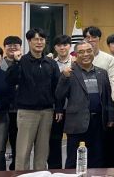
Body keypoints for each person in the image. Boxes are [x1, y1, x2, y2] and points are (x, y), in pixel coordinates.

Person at [6, 28, 62, 171]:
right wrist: (16, 62)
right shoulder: (22, 61)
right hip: (27, 112)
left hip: (47, 112)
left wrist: (58, 108)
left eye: (42, 39)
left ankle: (40, 174)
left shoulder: (51, 63)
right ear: (29, 41)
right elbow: (10, 81)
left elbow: (57, 88)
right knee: (23, 151)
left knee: (42, 152)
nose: (39, 42)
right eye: (36, 39)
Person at [56, 41, 114, 169]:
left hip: (99, 122)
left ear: (93, 52)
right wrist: (64, 78)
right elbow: (59, 95)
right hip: (77, 122)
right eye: (81, 52)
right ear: (76, 55)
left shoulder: (102, 73)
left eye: (89, 51)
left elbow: (108, 97)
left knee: (98, 159)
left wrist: (110, 117)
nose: (86, 54)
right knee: (74, 160)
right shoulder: (69, 73)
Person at [48, 34, 73, 169]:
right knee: (54, 140)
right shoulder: (50, 62)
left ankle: (71, 169)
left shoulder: (76, 62)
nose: (62, 48)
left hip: (72, 107)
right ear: (55, 47)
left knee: (73, 141)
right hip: (55, 108)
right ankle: (54, 169)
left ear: (70, 46)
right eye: (59, 45)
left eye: (65, 44)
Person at [1, 35, 22, 169]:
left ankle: (15, 166)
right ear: (5, 47)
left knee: (16, 140)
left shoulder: (24, 62)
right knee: (0, 140)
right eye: (9, 45)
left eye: (16, 45)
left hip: (18, 108)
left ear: (20, 47)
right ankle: (0, 168)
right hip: (1, 108)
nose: (12, 47)